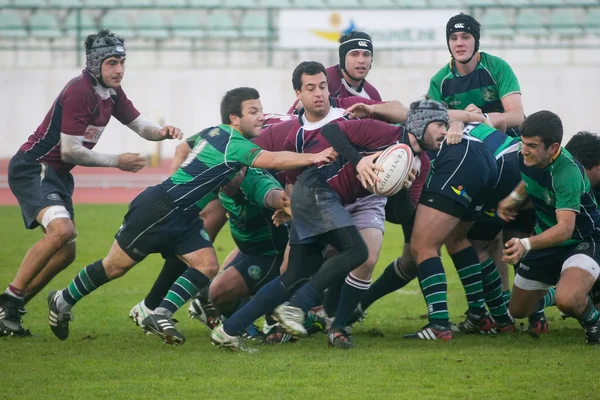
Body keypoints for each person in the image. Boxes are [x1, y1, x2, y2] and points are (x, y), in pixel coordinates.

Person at [45, 87, 336, 345]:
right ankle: (63, 298)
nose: (261, 116)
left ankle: (160, 313)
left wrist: (176, 179)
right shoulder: (235, 143)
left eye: (260, 110)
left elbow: (185, 146)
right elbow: (271, 159)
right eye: (253, 111)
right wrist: (313, 157)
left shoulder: (215, 132)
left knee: (207, 265)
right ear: (234, 118)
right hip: (159, 209)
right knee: (115, 267)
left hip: (183, 214)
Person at [0, 29, 184, 337]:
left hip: (57, 174)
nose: (119, 69)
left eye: (122, 62)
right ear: (94, 63)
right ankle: (10, 298)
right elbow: (71, 150)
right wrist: (117, 161)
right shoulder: (80, 90)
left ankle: (9, 313)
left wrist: (161, 132)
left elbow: (139, 124)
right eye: (112, 63)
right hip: (35, 167)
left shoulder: (111, 92)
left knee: (66, 252)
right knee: (62, 231)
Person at [499, 114, 600, 345]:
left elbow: (565, 229)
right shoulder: (526, 155)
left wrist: (525, 244)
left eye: (532, 146)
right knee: (519, 310)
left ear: (553, 148)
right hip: (548, 241)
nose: (524, 150)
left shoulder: (567, 173)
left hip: (582, 240)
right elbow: (530, 179)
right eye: (524, 143)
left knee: (568, 300)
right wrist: (514, 198)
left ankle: (593, 319)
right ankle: (571, 288)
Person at [428, 13, 524, 137]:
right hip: (464, 140)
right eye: (453, 38)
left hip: (506, 137)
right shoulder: (439, 81)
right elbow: (432, 121)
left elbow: (517, 116)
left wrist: (481, 118)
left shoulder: (497, 67)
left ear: (476, 41)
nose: (459, 43)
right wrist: (465, 118)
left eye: (465, 37)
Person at [288, 30, 381, 114]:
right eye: (354, 54)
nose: (361, 60)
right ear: (343, 58)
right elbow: (294, 118)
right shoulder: (324, 82)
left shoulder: (372, 94)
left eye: (366, 55)